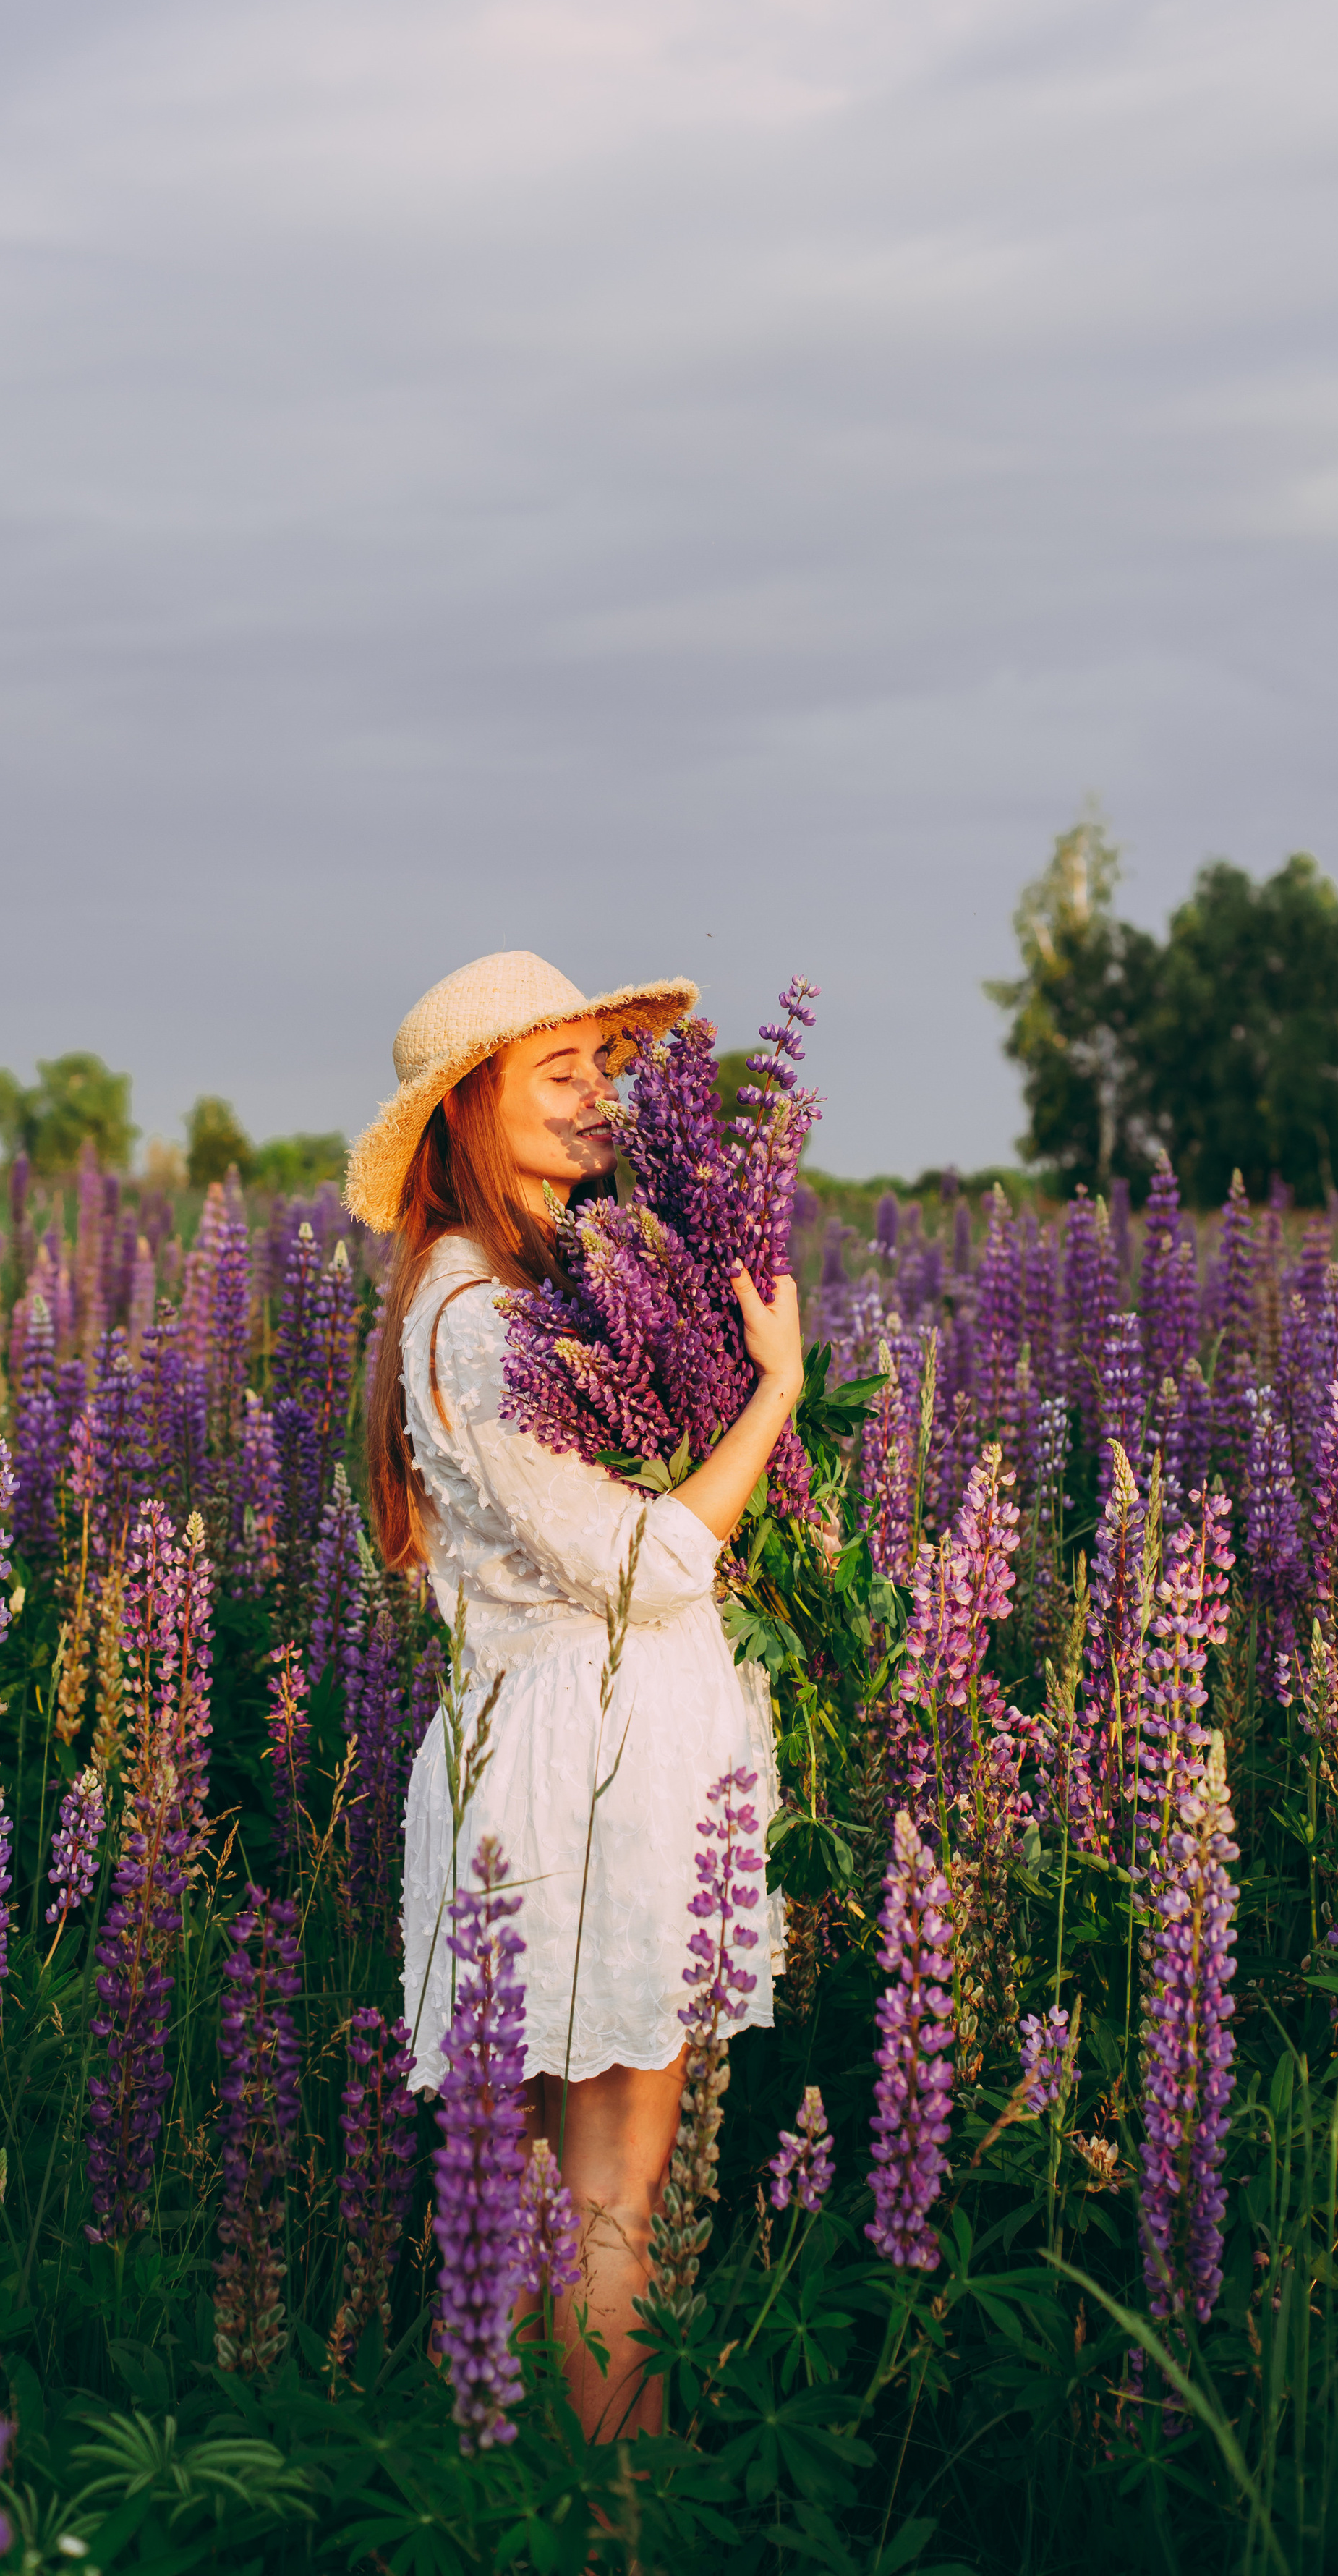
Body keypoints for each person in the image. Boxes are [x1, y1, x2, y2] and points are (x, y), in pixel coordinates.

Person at [346, 949, 804, 2439]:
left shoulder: (530, 1286)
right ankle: (621, 2522)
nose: (598, 1098)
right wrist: (771, 1402)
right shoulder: (471, 1314)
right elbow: (647, 1564)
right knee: (614, 2190)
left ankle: (534, 2497)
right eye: (559, 1074)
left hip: (579, 1738)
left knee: (550, 2193)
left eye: (604, 1070)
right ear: (463, 1112)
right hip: (587, 1755)